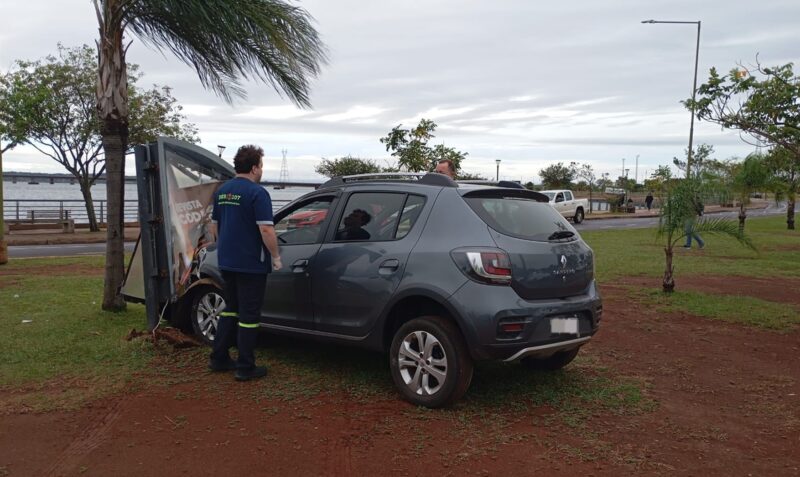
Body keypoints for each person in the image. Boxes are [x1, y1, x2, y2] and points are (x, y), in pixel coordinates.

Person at [208, 145, 282, 381]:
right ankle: (245, 366)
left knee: (230, 309)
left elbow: (214, 226)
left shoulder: (222, 191)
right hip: (251, 264)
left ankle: (219, 358)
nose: (261, 169)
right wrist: (276, 257)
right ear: (254, 168)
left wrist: (224, 248)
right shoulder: (257, 193)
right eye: (261, 165)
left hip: (227, 261)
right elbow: (266, 229)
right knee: (249, 316)